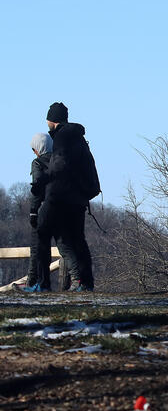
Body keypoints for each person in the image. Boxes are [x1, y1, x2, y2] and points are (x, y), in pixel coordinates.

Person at [38, 102, 95, 292]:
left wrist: (44, 179)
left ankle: (42, 283)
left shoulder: (62, 137)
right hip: (78, 196)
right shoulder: (77, 137)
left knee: (42, 232)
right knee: (77, 239)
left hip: (62, 195)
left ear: (52, 119)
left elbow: (60, 164)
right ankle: (85, 282)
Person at [18, 133, 53, 292]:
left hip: (43, 210)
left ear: (38, 148)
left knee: (38, 248)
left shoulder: (38, 163)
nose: (34, 152)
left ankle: (35, 282)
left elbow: (37, 187)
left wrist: (33, 211)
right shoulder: (59, 160)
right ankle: (77, 281)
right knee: (66, 247)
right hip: (61, 207)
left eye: (34, 149)